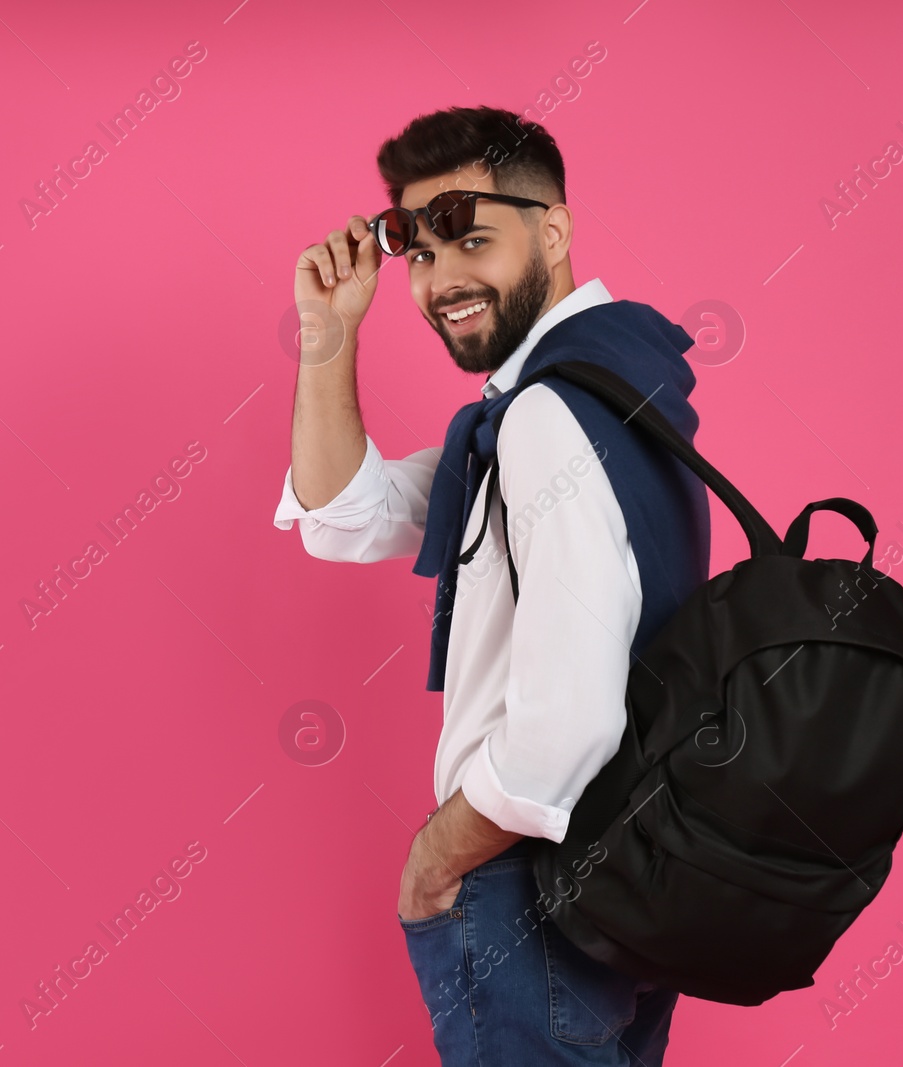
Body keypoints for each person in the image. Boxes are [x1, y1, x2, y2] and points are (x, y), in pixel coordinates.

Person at [273, 105, 710, 1065]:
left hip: (528, 887)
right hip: (623, 878)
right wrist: (328, 335)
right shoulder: (600, 385)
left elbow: (568, 722)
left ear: (551, 231)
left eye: (472, 239)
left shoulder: (549, 417)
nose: (443, 281)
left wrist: (437, 860)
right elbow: (349, 513)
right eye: (422, 255)